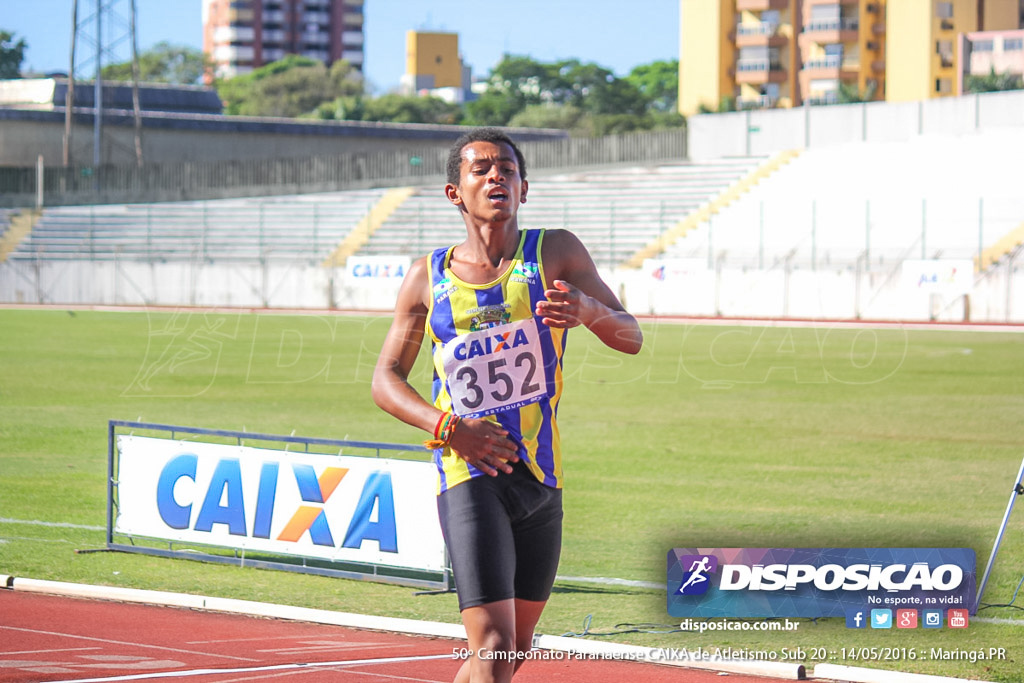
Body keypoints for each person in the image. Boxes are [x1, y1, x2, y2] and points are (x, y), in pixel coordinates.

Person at [372, 127, 643, 683]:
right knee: (492, 646)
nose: (497, 176)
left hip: (542, 474)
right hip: (469, 471)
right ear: (455, 192)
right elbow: (386, 379)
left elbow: (630, 336)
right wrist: (449, 428)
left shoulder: (556, 251)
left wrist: (589, 311)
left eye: (508, 170)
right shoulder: (428, 277)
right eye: (482, 168)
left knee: (511, 650)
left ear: (524, 189)